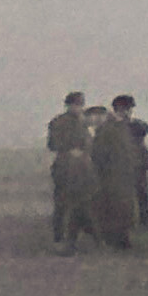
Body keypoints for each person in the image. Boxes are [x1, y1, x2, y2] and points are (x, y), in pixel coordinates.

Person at [92, 95, 143, 248]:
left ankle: (122, 238)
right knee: (114, 207)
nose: (129, 112)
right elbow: (99, 152)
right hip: (112, 173)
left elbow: (143, 129)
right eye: (127, 109)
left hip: (125, 172)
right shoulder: (108, 127)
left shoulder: (126, 126)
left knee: (125, 207)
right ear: (119, 109)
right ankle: (115, 239)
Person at [47, 92, 97, 247]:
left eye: (80, 105)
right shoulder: (58, 122)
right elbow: (52, 144)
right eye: (75, 104)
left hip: (83, 167)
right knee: (62, 202)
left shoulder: (85, 124)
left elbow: (90, 144)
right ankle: (59, 236)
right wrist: (69, 150)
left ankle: (79, 235)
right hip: (64, 166)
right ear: (68, 105)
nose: (78, 108)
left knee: (83, 201)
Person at [129, 113, 148, 227]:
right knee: (137, 196)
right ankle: (141, 221)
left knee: (141, 196)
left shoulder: (140, 144)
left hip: (138, 168)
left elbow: (146, 127)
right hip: (132, 168)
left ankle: (144, 220)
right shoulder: (138, 144)